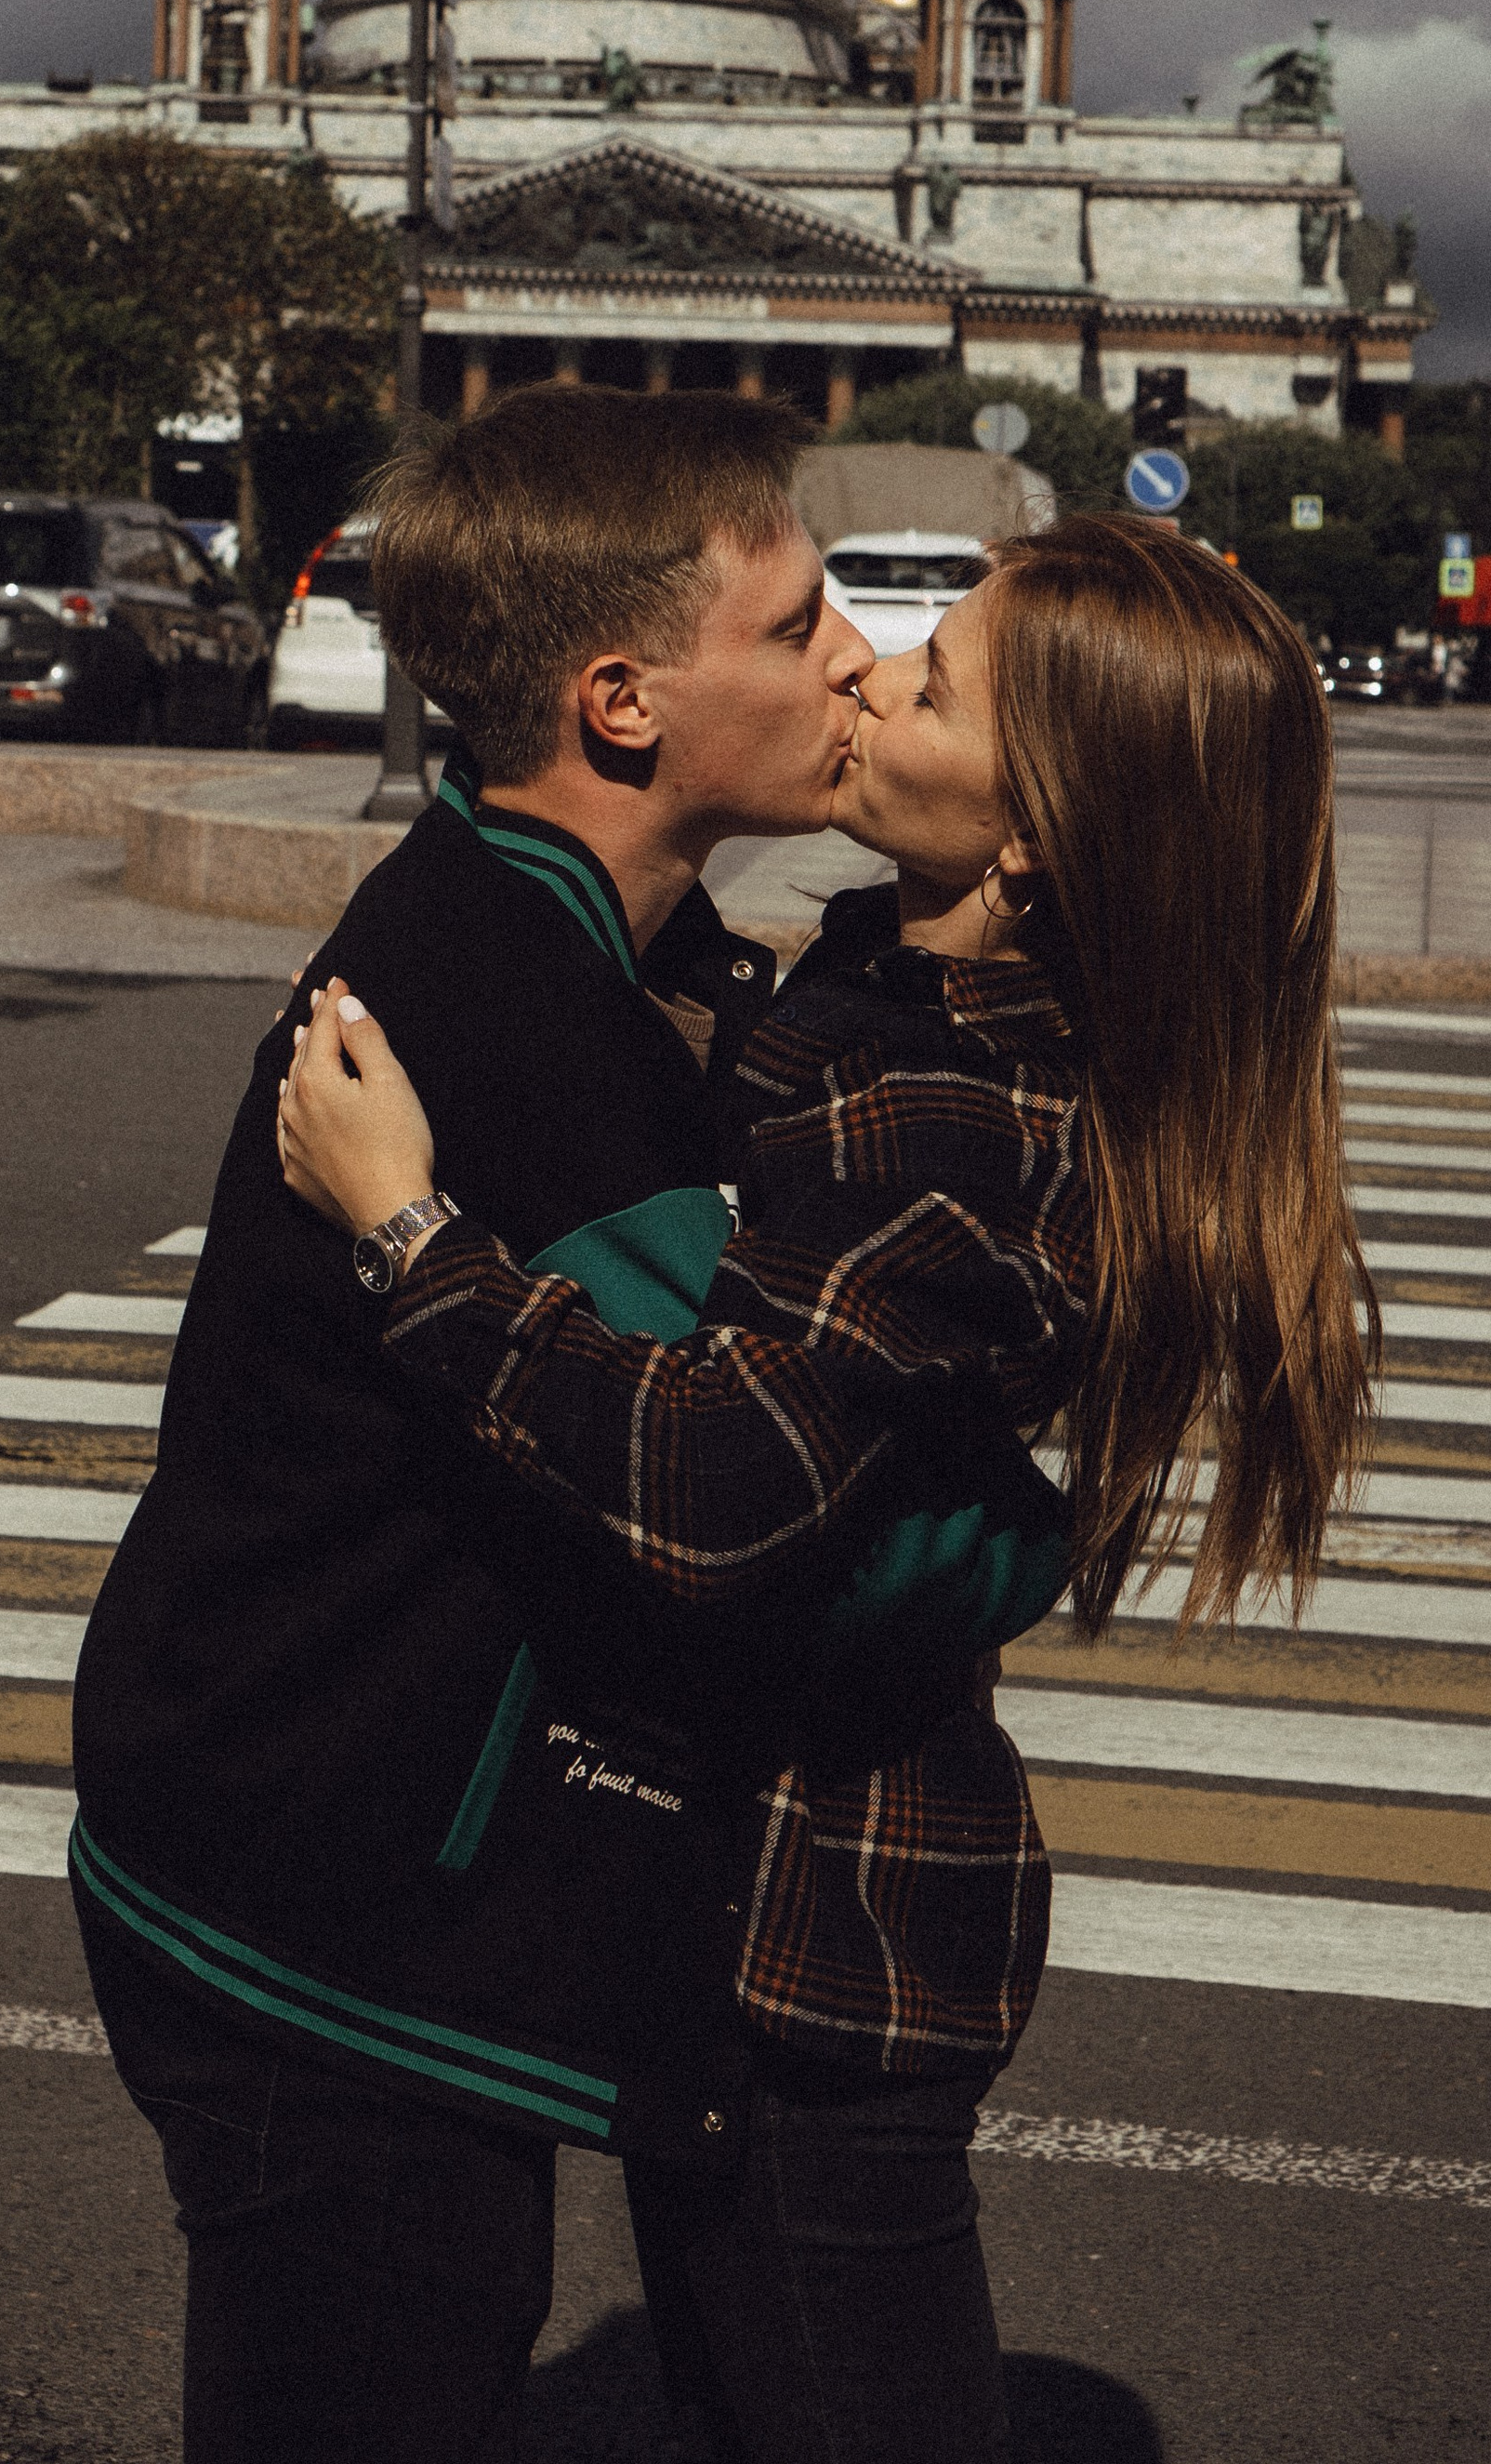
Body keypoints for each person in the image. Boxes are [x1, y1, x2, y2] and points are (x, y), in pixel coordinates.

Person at [278, 512, 1378, 2461]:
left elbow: (717, 1479)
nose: (868, 669)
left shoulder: (952, 1115)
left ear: (1030, 842)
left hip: (823, 1940)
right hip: (755, 1904)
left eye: (932, 686)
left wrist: (409, 1240)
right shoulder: (897, 985)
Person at [71, 388, 1064, 2464]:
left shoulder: (595, 944)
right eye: (795, 626)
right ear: (622, 702)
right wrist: (1010, 1525)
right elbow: (796, 1527)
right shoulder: (515, 1022)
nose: (854, 664)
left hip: (343, 1846)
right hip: (323, 1901)